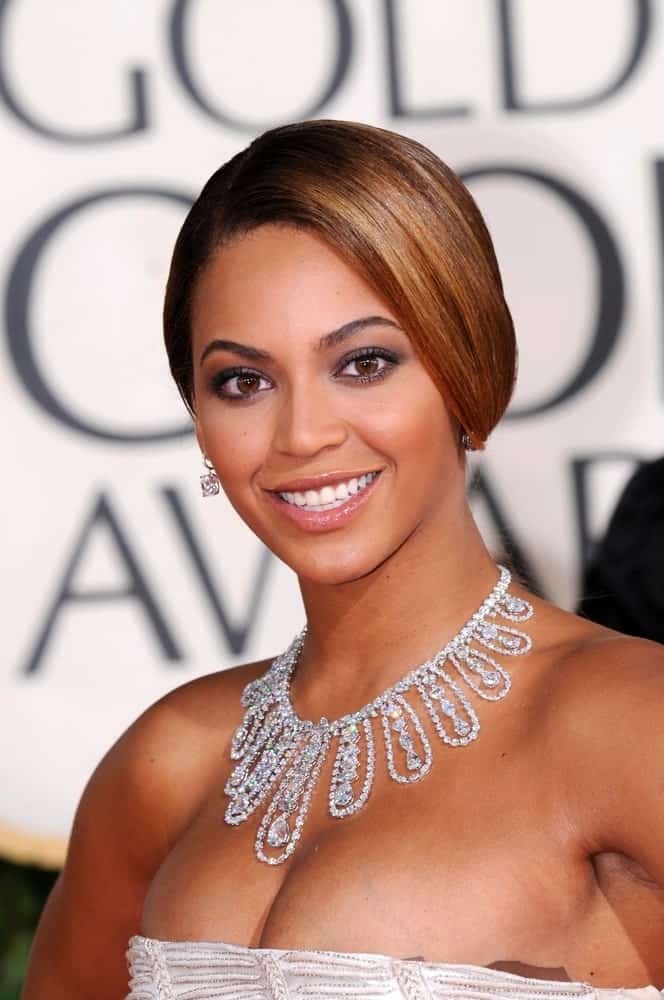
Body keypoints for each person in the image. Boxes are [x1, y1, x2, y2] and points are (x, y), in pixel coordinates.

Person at [22, 120, 664, 1000]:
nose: (303, 435)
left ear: (467, 374)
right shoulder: (167, 763)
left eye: (364, 363)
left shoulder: (630, 723)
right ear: (200, 422)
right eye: (243, 381)